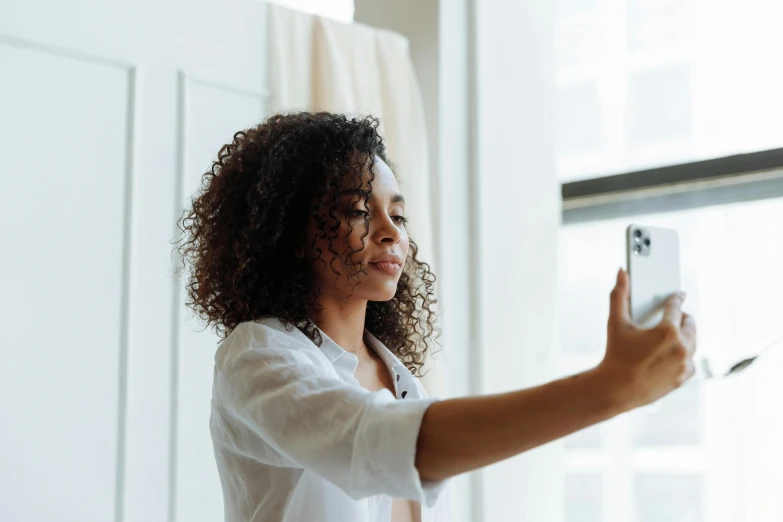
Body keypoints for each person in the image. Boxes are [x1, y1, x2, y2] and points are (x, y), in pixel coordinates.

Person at [175, 112, 697, 522]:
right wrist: (610, 388)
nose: (391, 232)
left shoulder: (402, 382)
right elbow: (385, 443)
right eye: (359, 210)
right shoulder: (257, 357)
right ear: (289, 232)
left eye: (397, 215)